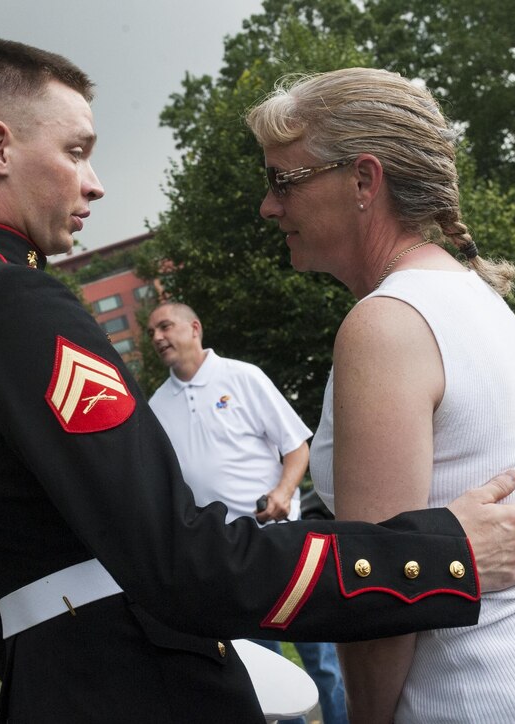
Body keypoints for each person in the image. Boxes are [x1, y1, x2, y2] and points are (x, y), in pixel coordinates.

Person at [0, 38, 515, 723]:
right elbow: (180, 561)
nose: (95, 183)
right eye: (76, 150)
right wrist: (442, 555)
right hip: (142, 687)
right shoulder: (15, 302)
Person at [247, 67, 515, 723]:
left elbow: (381, 592)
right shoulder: (465, 291)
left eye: (284, 180)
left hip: (509, 700)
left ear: (364, 180)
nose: (268, 206)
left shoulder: (384, 326)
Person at [147, 301, 348, 724]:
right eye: (151, 333)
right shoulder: (155, 407)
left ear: (194, 327)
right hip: (224, 557)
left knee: (324, 665)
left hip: (280, 542)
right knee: (263, 681)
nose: (158, 338)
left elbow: (296, 447)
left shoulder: (242, 377)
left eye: (165, 326)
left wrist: (282, 491)